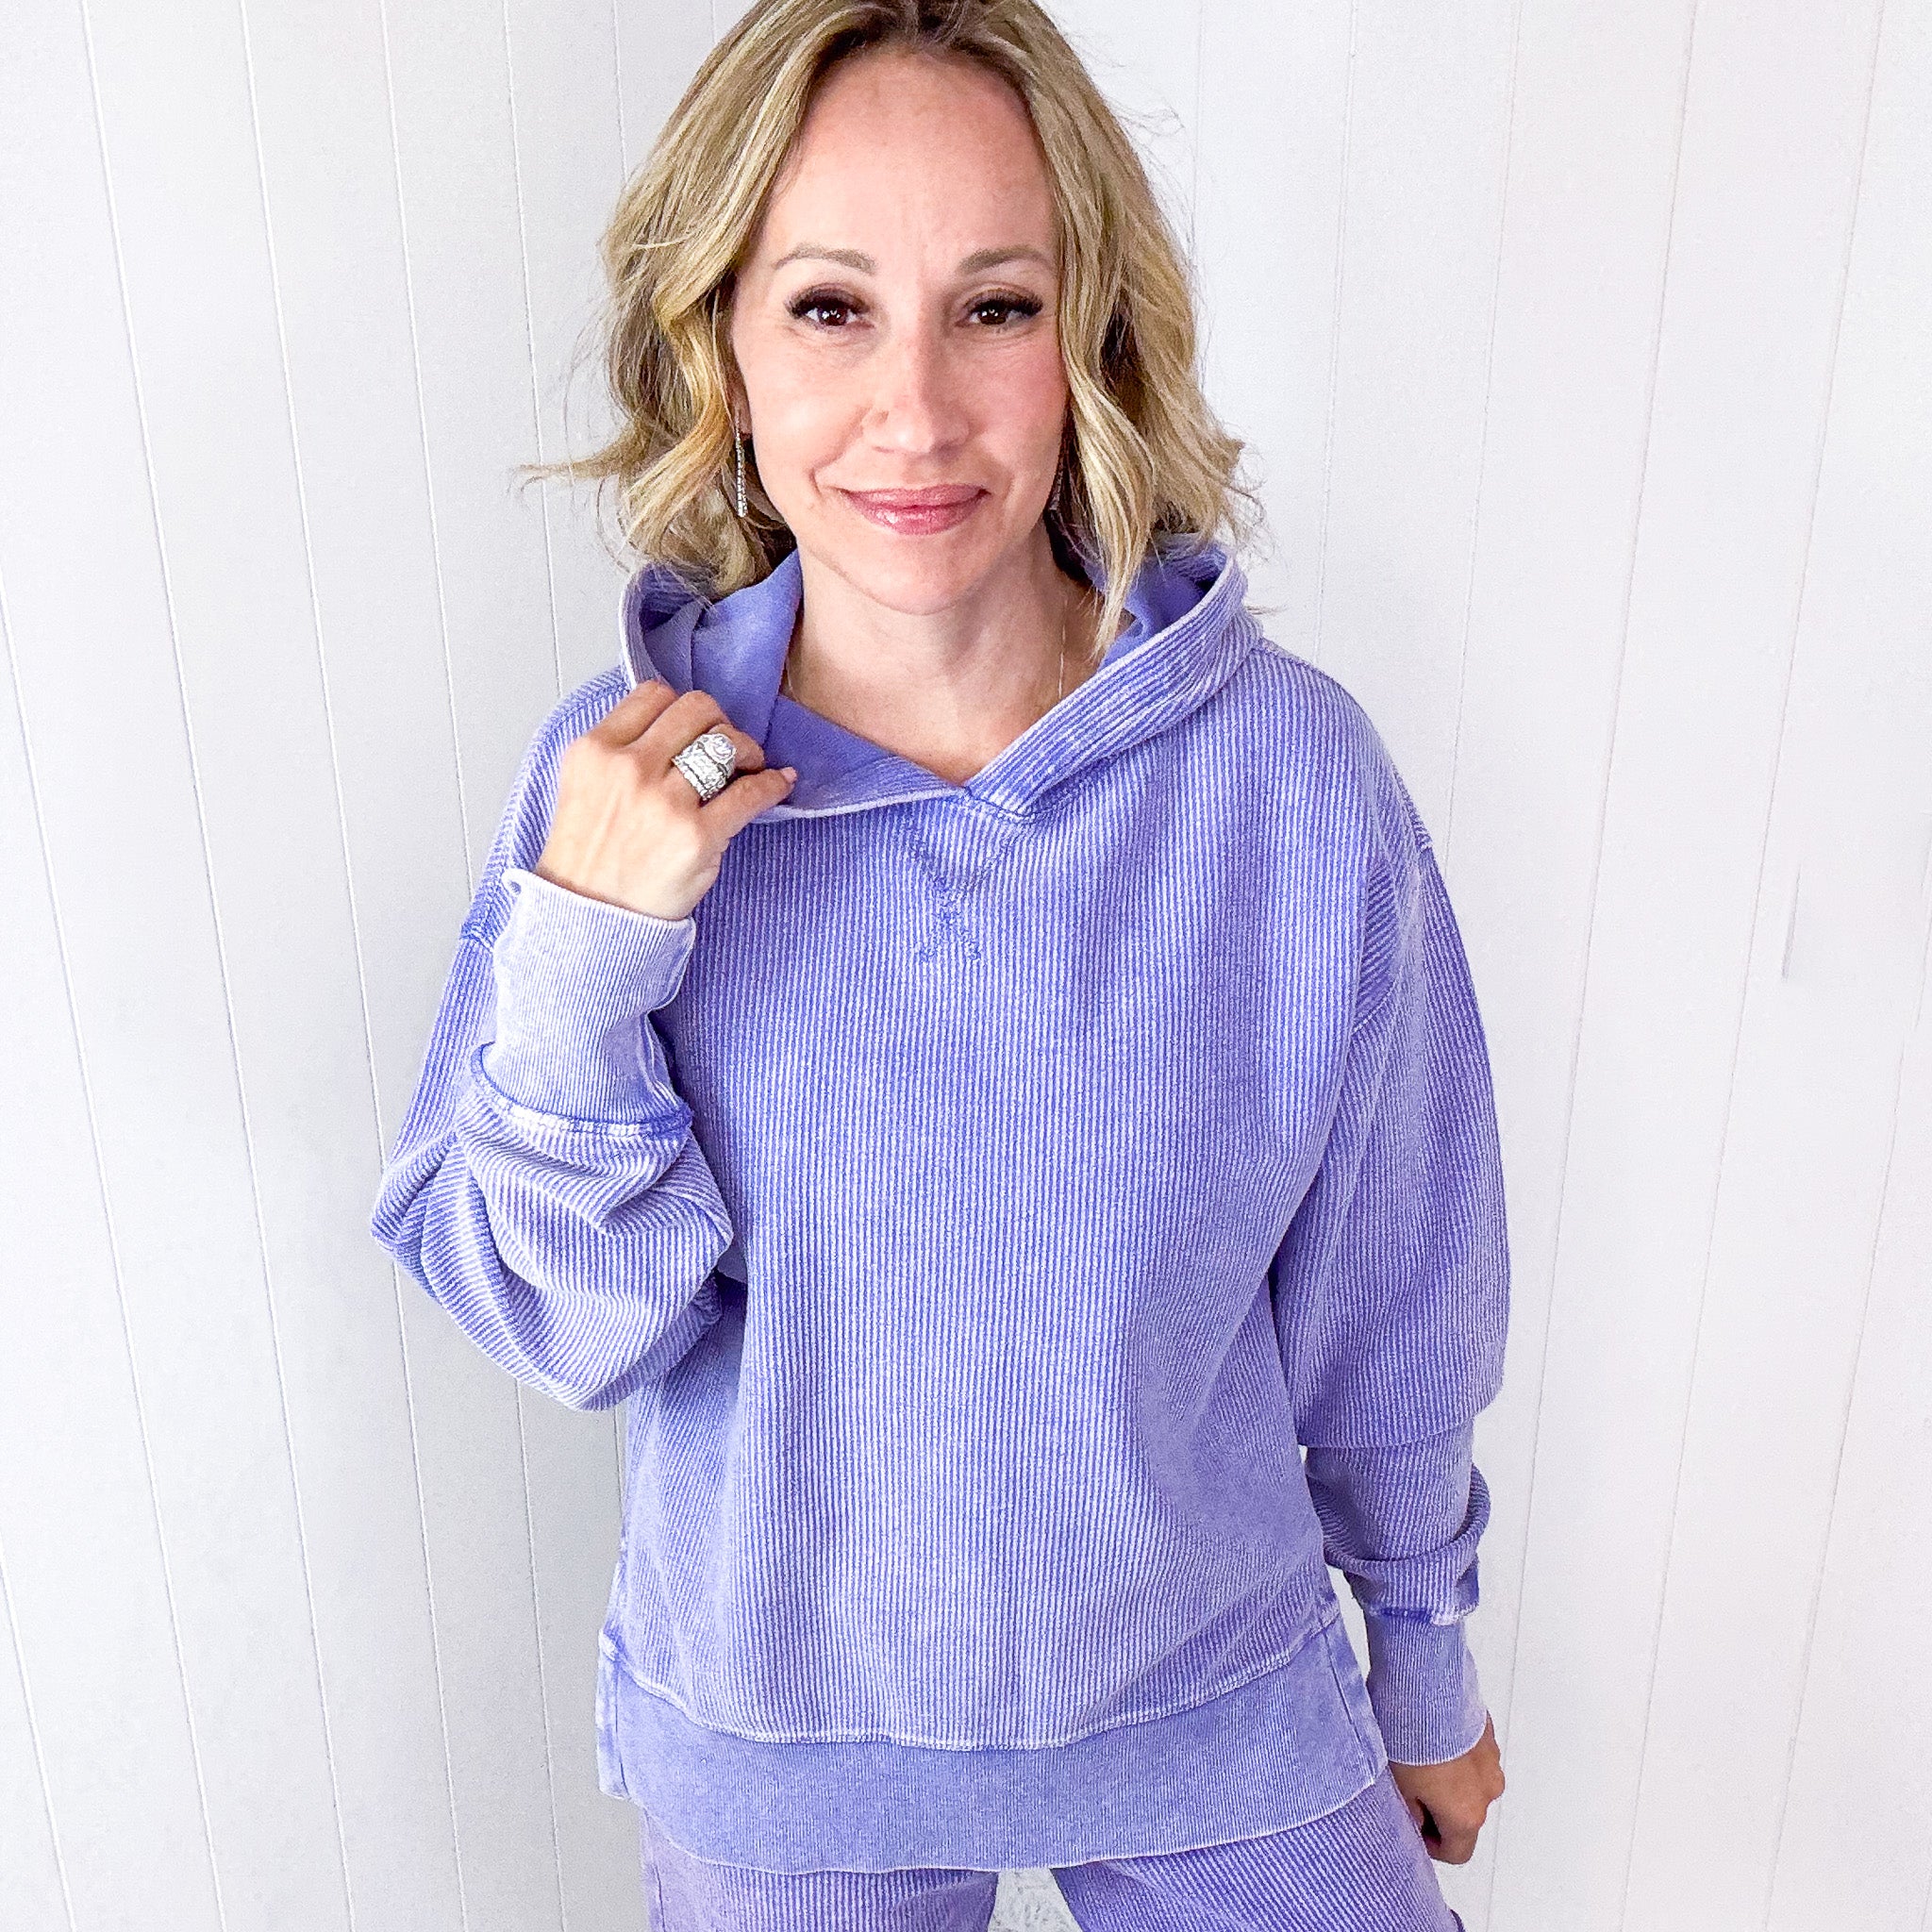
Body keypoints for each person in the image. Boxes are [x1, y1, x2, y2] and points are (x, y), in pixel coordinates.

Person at [369, 0, 1510, 1924]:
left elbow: (1395, 1284)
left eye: (994, 307)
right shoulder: (625, 787)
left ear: (1089, 339)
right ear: (720, 337)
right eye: (830, 306)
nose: (913, 411)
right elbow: (569, 1331)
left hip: (1221, 1708)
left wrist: (1422, 1655)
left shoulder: (1285, 776)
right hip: (783, 1751)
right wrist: (586, 958)